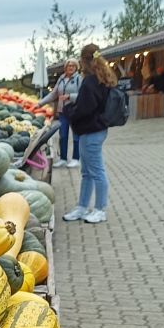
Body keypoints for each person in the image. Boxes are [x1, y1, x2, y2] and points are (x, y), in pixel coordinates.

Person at [63, 44, 117, 225]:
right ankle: (82, 206)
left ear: (84, 60)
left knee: (96, 171)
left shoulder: (90, 81)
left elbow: (85, 108)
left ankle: (100, 209)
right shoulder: (102, 77)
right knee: (87, 171)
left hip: (91, 130)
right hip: (97, 129)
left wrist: (69, 110)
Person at [45, 58, 82, 167]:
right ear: (65, 68)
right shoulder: (61, 79)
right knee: (63, 135)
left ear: (76, 67)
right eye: (68, 66)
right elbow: (53, 94)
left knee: (76, 136)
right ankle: (63, 159)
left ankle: (76, 158)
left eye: (73, 66)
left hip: (75, 111)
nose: (70, 67)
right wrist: (40, 103)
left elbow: (83, 95)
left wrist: (70, 96)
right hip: (62, 112)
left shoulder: (79, 79)